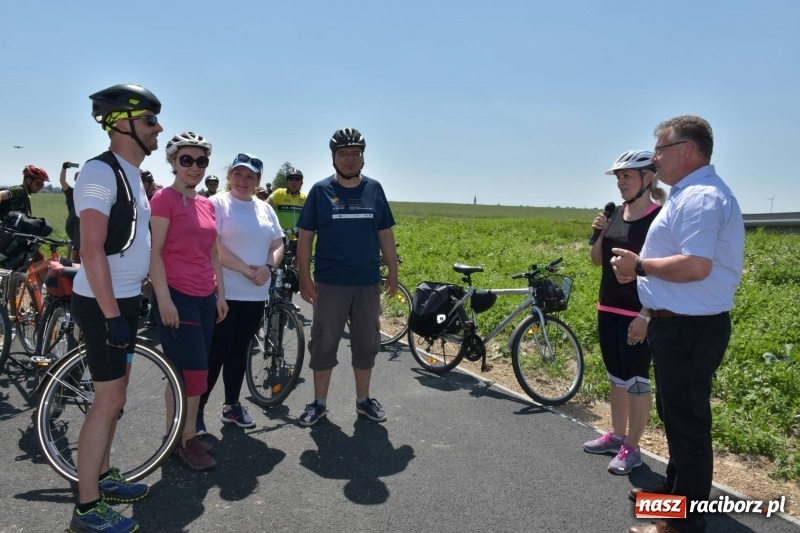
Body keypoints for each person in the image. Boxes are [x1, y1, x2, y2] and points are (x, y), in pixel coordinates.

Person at [612, 116, 745, 533]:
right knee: (677, 418)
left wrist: (640, 267)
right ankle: (672, 496)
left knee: (687, 427)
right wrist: (650, 311)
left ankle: (680, 524)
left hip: (689, 330)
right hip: (679, 325)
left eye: (660, 150)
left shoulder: (701, 196)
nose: (655, 158)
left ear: (687, 150)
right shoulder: (689, 193)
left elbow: (696, 265)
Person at [69, 83, 162, 533]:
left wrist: (131, 303)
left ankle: (103, 477)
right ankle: (87, 508)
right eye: (149, 120)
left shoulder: (130, 174)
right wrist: (111, 316)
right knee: (106, 402)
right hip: (101, 304)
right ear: (121, 123)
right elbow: (91, 251)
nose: (157, 127)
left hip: (123, 302)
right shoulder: (99, 173)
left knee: (117, 399)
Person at [296, 128, 398, 427]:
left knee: (366, 342)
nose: (350, 159)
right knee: (324, 342)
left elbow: (385, 233)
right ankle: (319, 402)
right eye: (343, 154)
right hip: (331, 282)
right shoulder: (319, 191)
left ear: (363, 157)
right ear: (333, 158)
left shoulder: (375, 189)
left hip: (367, 282)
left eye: (355, 153)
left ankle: (364, 400)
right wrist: (305, 277)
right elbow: (305, 238)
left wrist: (393, 270)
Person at [583, 151, 664, 476]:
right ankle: (616, 436)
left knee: (637, 380)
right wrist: (601, 231)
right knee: (616, 377)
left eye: (626, 176)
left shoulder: (660, 218)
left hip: (638, 312)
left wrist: (645, 315)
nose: (620, 183)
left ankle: (633, 446)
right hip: (608, 307)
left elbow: (661, 273)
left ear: (648, 179)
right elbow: (596, 260)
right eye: (618, 177)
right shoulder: (615, 212)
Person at [149, 131, 227, 471]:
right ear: (172, 162)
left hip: (206, 297)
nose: (194, 167)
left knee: (187, 373)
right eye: (186, 160)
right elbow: (154, 253)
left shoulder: (206, 204)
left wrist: (220, 295)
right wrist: (164, 299)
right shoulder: (163, 199)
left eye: (201, 161)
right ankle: (188, 439)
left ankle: (175, 435)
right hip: (177, 296)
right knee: (195, 373)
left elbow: (213, 254)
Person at [198, 153, 284, 434]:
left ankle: (231, 406)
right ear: (229, 176)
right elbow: (214, 246)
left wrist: (269, 267)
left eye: (250, 177)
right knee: (215, 353)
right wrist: (246, 270)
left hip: (255, 295)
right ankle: (195, 413)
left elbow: (277, 242)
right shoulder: (217, 204)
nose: (243, 181)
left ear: (258, 181)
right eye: (238, 174)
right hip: (224, 292)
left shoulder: (264, 208)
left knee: (239, 351)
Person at [267, 167, 306, 236]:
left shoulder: (305, 197)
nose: (294, 182)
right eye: (291, 179)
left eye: (297, 179)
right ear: (287, 181)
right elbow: (264, 208)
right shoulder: (279, 193)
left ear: (301, 183)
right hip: (281, 235)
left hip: (299, 237)